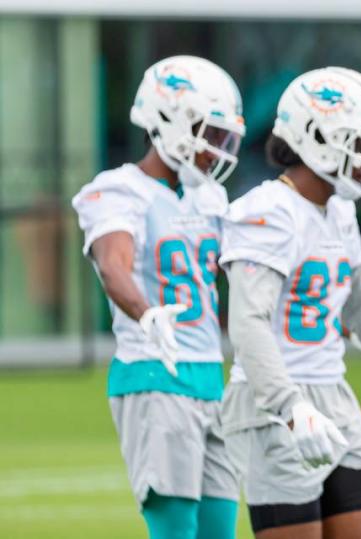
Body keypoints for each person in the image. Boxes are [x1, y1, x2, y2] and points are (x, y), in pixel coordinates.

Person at [218, 67, 361, 539]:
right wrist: (289, 405)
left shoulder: (336, 210)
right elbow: (249, 324)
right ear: (316, 138)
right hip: (274, 404)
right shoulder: (267, 212)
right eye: (358, 146)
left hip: (332, 394)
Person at [72, 55, 246, 538]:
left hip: (210, 375)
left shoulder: (208, 195)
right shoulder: (117, 190)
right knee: (175, 530)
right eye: (208, 134)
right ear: (170, 121)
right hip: (156, 374)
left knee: (219, 530)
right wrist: (147, 314)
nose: (216, 150)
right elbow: (113, 265)